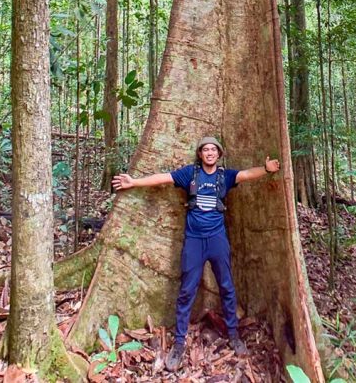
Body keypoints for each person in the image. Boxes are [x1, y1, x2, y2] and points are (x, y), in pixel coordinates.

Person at [111, 136, 280, 371]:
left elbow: (246, 174)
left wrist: (266, 169)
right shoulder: (190, 174)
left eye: (213, 150)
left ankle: (233, 334)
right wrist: (134, 182)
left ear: (219, 155)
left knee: (227, 287)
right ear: (200, 154)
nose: (209, 153)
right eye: (205, 150)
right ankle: (179, 343)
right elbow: (163, 178)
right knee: (186, 291)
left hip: (217, 240)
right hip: (194, 241)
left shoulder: (225, 176)